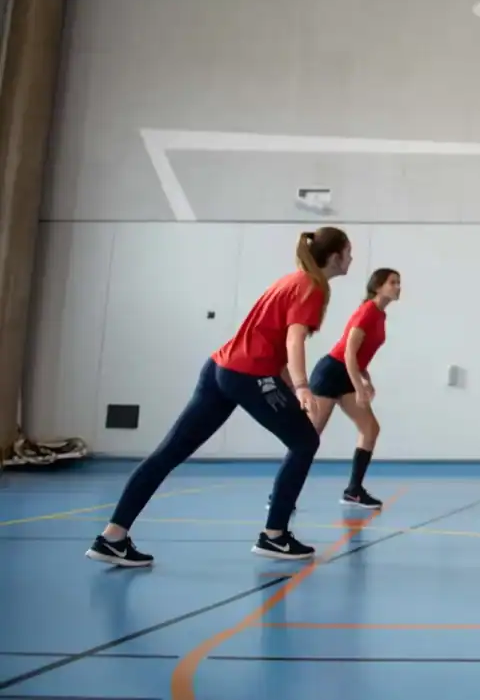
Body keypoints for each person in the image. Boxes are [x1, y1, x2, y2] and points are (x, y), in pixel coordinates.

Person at [85, 228, 352, 568]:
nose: (351, 259)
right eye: (349, 252)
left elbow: (273, 341)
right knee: (304, 441)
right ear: (334, 257)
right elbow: (294, 340)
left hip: (219, 369)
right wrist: (300, 386)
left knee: (170, 452)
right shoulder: (312, 287)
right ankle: (275, 536)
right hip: (247, 373)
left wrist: (287, 383)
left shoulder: (292, 280)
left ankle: (112, 537)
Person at [306, 267, 400, 509]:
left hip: (347, 373)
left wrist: (365, 379)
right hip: (331, 373)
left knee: (370, 429)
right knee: (306, 439)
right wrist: (359, 387)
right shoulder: (367, 311)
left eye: (398, 283)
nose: (398, 287)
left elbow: (360, 357)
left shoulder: (380, 315)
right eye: (392, 282)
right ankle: (280, 495)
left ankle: (353, 491)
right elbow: (349, 352)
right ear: (377, 286)